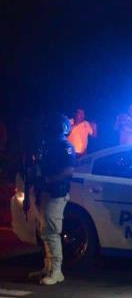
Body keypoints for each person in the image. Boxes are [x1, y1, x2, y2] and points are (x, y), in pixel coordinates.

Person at [28, 114, 75, 286]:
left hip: (56, 193)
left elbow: (68, 170)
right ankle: (48, 267)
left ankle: (56, 271)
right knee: (45, 231)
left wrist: (47, 180)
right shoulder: (49, 146)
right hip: (46, 192)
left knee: (51, 231)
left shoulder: (65, 146)